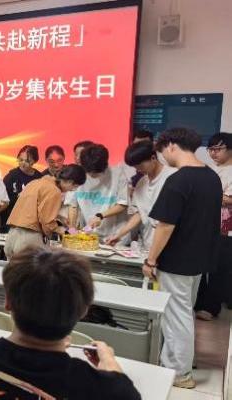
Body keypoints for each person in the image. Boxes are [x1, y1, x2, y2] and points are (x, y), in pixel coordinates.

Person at [0, 246, 140, 400]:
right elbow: (121, 390)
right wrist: (110, 362)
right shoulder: (109, 391)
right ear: (83, 311)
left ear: (7, 302)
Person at [144, 128, 222, 388]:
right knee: (184, 313)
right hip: (198, 259)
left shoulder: (178, 180)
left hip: (176, 260)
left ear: (171, 145)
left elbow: (165, 225)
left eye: (162, 151)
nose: (163, 157)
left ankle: (179, 372)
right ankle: (179, 363)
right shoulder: (211, 176)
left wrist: (151, 260)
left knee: (176, 317)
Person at [5, 165, 86, 258]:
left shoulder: (34, 183)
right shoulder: (54, 190)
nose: (73, 190)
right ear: (70, 182)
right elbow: (47, 221)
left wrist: (59, 217)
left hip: (12, 235)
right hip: (29, 239)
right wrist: (66, 232)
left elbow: (33, 210)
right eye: (75, 187)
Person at [106, 141, 176, 250]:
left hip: (170, 244)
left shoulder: (173, 177)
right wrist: (119, 235)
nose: (138, 169)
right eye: (135, 167)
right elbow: (139, 213)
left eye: (140, 165)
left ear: (153, 158)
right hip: (148, 243)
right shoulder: (141, 183)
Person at [194, 132, 232, 321]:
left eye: (218, 149)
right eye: (210, 149)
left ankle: (211, 307)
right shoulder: (211, 170)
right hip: (206, 225)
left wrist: (209, 193)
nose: (213, 153)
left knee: (219, 269)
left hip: (226, 229)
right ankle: (199, 302)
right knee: (200, 266)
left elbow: (229, 200)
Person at [67, 144, 128, 242]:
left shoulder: (117, 175)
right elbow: (73, 205)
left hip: (114, 234)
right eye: (89, 172)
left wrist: (100, 216)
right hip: (88, 232)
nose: (91, 175)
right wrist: (72, 230)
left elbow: (122, 204)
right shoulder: (78, 175)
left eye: (95, 172)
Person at [2, 146, 43, 225]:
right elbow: (4, 200)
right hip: (12, 219)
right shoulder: (11, 176)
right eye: (20, 160)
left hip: (32, 220)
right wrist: (18, 197)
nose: (23, 163)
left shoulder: (39, 178)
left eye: (27, 161)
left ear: (35, 161)